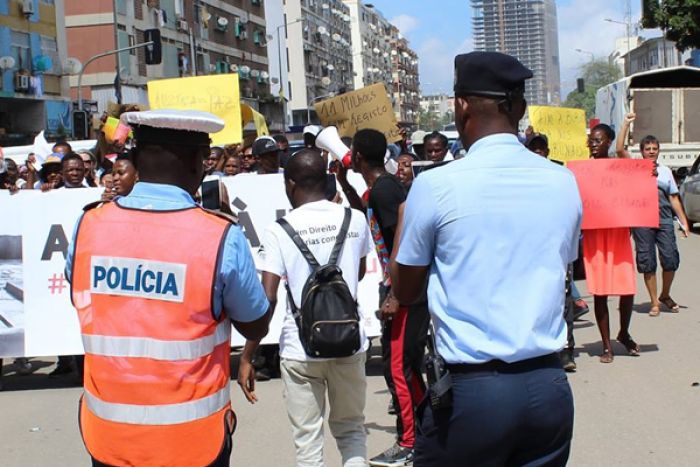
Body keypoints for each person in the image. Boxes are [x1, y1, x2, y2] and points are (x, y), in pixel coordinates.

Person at [390, 52, 580, 466]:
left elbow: (404, 291)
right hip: (548, 387)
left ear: (460, 106)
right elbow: (563, 264)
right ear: (521, 108)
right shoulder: (563, 181)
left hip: (472, 395)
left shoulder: (435, 185)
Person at [65, 109, 271, 467]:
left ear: (138, 160)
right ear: (198, 162)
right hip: (192, 441)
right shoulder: (220, 236)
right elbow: (255, 324)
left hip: (109, 436)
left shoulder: (88, 225)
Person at [250, 149, 372, 467]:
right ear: (327, 180)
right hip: (349, 341)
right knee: (351, 431)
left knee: (308, 443)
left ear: (290, 184)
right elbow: (357, 274)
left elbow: (268, 296)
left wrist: (249, 354)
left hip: (300, 348)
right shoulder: (354, 219)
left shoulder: (279, 229)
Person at [351, 129, 429, 467]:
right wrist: (342, 182)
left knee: (399, 367)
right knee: (405, 367)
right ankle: (426, 433)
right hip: (401, 287)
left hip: (405, 290)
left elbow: (404, 240)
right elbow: (367, 212)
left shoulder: (385, 191)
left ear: (358, 157)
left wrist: (396, 294)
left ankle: (411, 442)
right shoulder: (381, 189)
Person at [617, 113, 689, 316]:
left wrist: (684, 222)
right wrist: (626, 124)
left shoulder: (665, 171)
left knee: (670, 259)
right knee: (647, 261)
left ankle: (666, 294)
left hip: (664, 220)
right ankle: (654, 301)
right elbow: (620, 149)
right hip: (641, 221)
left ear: (659, 151)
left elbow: (674, 197)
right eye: (647, 149)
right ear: (641, 152)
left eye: (654, 149)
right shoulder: (634, 168)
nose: (651, 152)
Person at [585, 123, 640, 363]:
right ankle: (607, 345)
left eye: (599, 140)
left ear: (608, 142)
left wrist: (650, 177)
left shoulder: (620, 168)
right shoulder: (582, 170)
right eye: (592, 140)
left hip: (618, 233)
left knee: (627, 288)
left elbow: (638, 184)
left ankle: (624, 332)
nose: (594, 144)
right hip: (595, 235)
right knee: (600, 292)